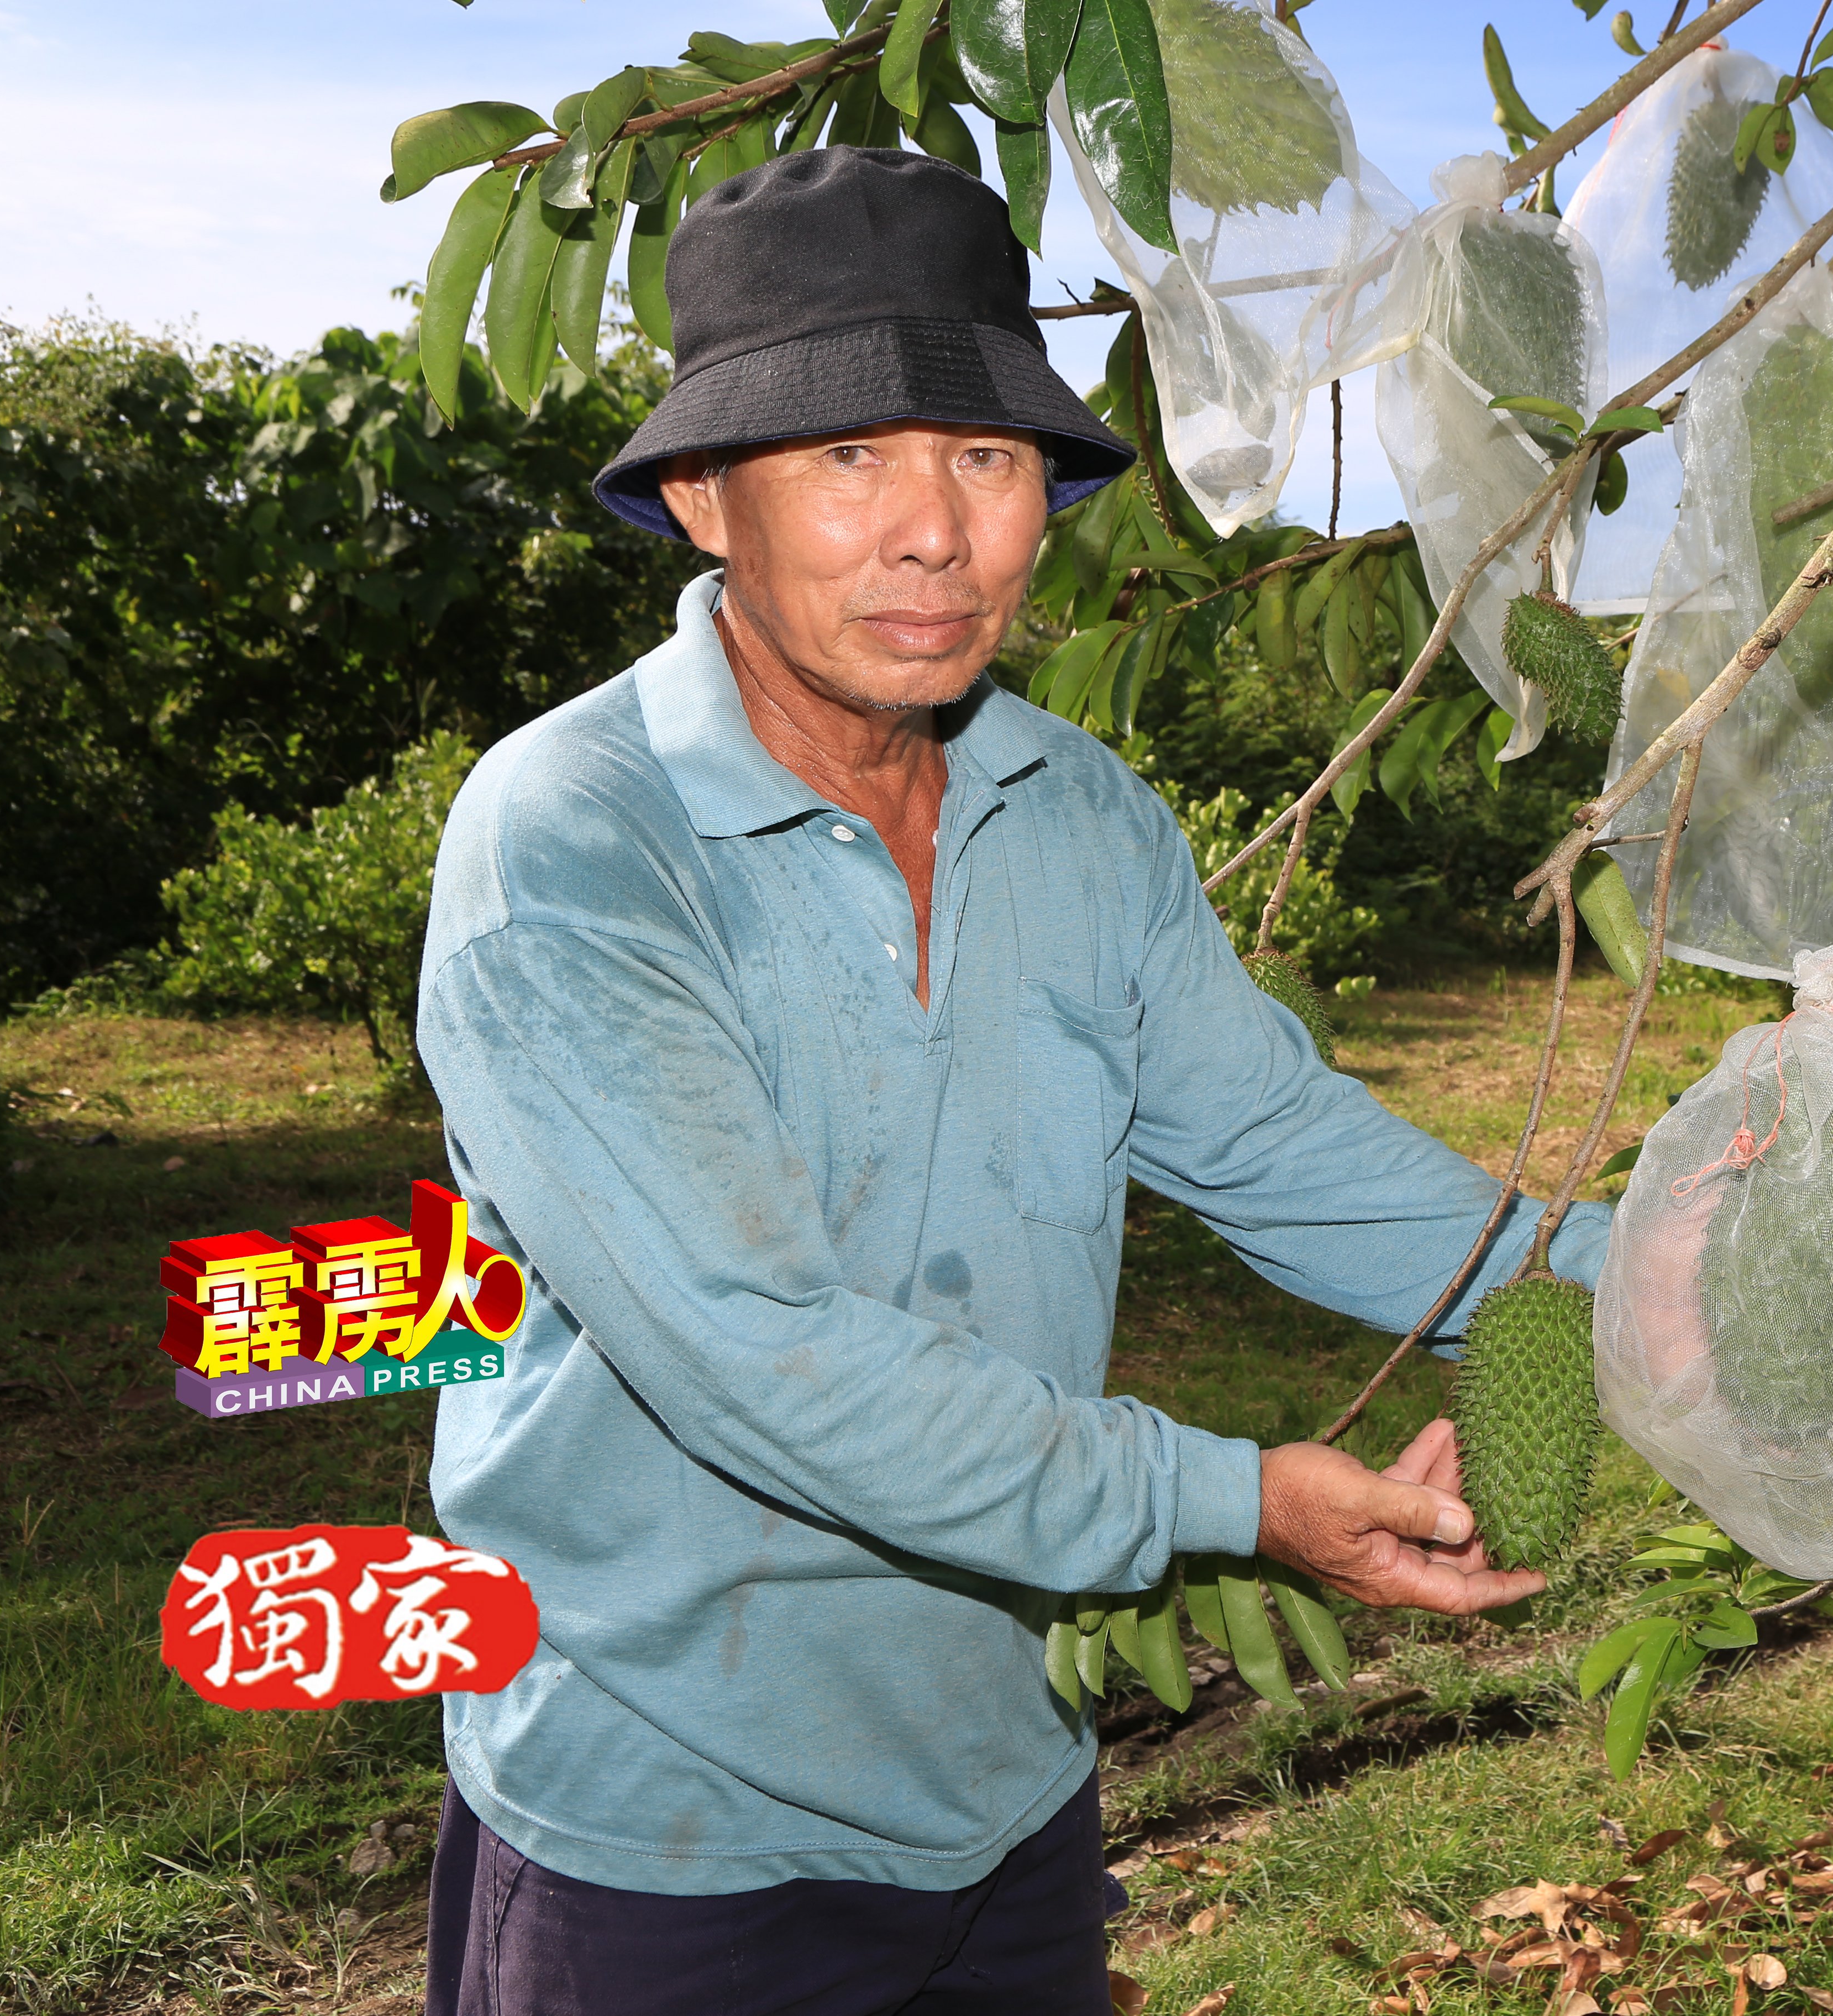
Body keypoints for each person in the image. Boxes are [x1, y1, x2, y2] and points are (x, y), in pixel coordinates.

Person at [413, 148, 1605, 2015]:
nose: (932, 534)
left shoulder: (1079, 812)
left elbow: (1276, 1145)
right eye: (846, 459)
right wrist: (1235, 1498)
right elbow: (764, 1351)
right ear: (707, 500)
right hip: (674, 1820)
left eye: (985, 460)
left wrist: (1653, 1277)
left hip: (1009, 1774)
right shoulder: (571, 844)